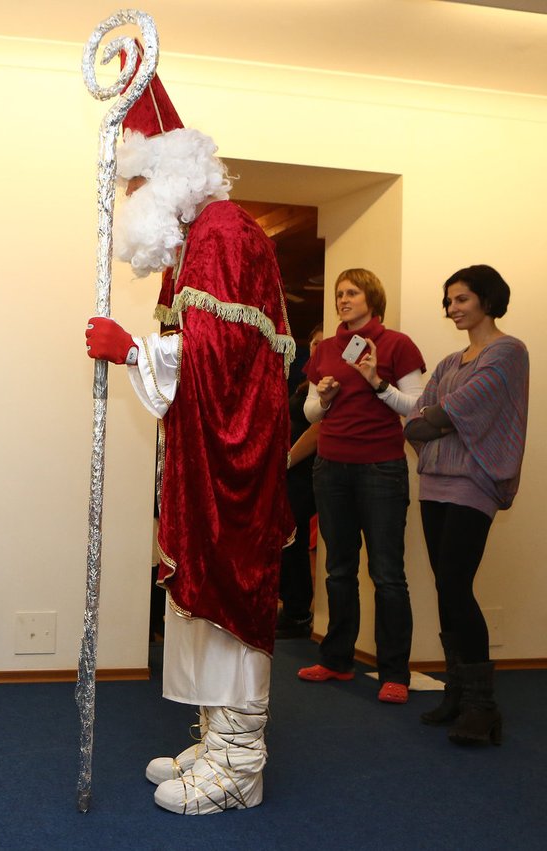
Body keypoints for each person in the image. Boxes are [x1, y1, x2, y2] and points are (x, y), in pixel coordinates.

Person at [83, 68, 293, 814]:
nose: (132, 200)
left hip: (232, 460)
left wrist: (133, 351)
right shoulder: (198, 239)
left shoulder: (224, 235)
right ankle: (217, 737)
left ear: (173, 175)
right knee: (202, 602)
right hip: (208, 454)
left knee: (229, 596)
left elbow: (223, 356)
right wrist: (142, 348)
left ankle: (240, 765)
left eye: (138, 183)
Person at [404, 265, 528, 746]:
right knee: (445, 586)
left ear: (487, 299)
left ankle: (483, 707)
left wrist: (437, 418)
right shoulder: (450, 361)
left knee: (456, 583)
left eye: (461, 299)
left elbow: (453, 409)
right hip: (434, 482)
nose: (452, 309)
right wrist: (434, 419)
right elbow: (419, 417)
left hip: (473, 481)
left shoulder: (508, 351)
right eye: (449, 301)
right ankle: (458, 692)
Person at [297, 269, 425, 703]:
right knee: (338, 569)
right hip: (331, 467)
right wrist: (326, 397)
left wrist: (377, 383)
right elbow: (312, 412)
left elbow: (415, 406)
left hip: (381, 469)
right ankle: (337, 660)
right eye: (339, 294)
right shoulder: (327, 350)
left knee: (387, 573)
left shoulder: (397, 345)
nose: (343, 299)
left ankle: (394, 673)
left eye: (351, 292)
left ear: (372, 297)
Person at [276, 325, 322, 639]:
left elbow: (318, 432)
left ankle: (298, 611)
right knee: (288, 537)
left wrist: (288, 459)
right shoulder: (307, 385)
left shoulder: (328, 386)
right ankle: (292, 607)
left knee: (293, 536)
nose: (317, 348)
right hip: (291, 472)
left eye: (323, 342)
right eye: (313, 343)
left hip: (306, 472)